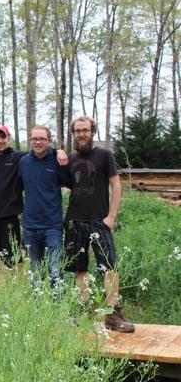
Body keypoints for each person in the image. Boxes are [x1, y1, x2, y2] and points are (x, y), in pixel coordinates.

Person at [65, 116, 135, 333]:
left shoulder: (104, 155)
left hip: (100, 221)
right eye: (78, 131)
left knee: (109, 268)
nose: (81, 134)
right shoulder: (71, 158)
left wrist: (111, 216)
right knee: (79, 270)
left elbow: (116, 185)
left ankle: (112, 314)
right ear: (73, 133)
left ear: (92, 132)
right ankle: (81, 312)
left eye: (85, 130)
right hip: (75, 221)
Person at [0, 125, 68, 288]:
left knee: (48, 269)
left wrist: (59, 150)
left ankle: (55, 306)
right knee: (28, 269)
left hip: (37, 223)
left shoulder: (21, 158)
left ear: (8, 139)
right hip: (9, 223)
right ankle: (3, 298)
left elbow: (44, 153)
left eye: (2, 137)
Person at [18, 126, 71, 291]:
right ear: (30, 141)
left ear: (49, 141)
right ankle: (39, 308)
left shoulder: (57, 160)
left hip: (52, 226)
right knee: (35, 272)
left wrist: (60, 151)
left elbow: (70, 183)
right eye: (34, 139)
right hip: (30, 227)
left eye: (42, 139)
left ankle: (58, 309)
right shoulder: (24, 162)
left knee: (55, 270)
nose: (38, 142)